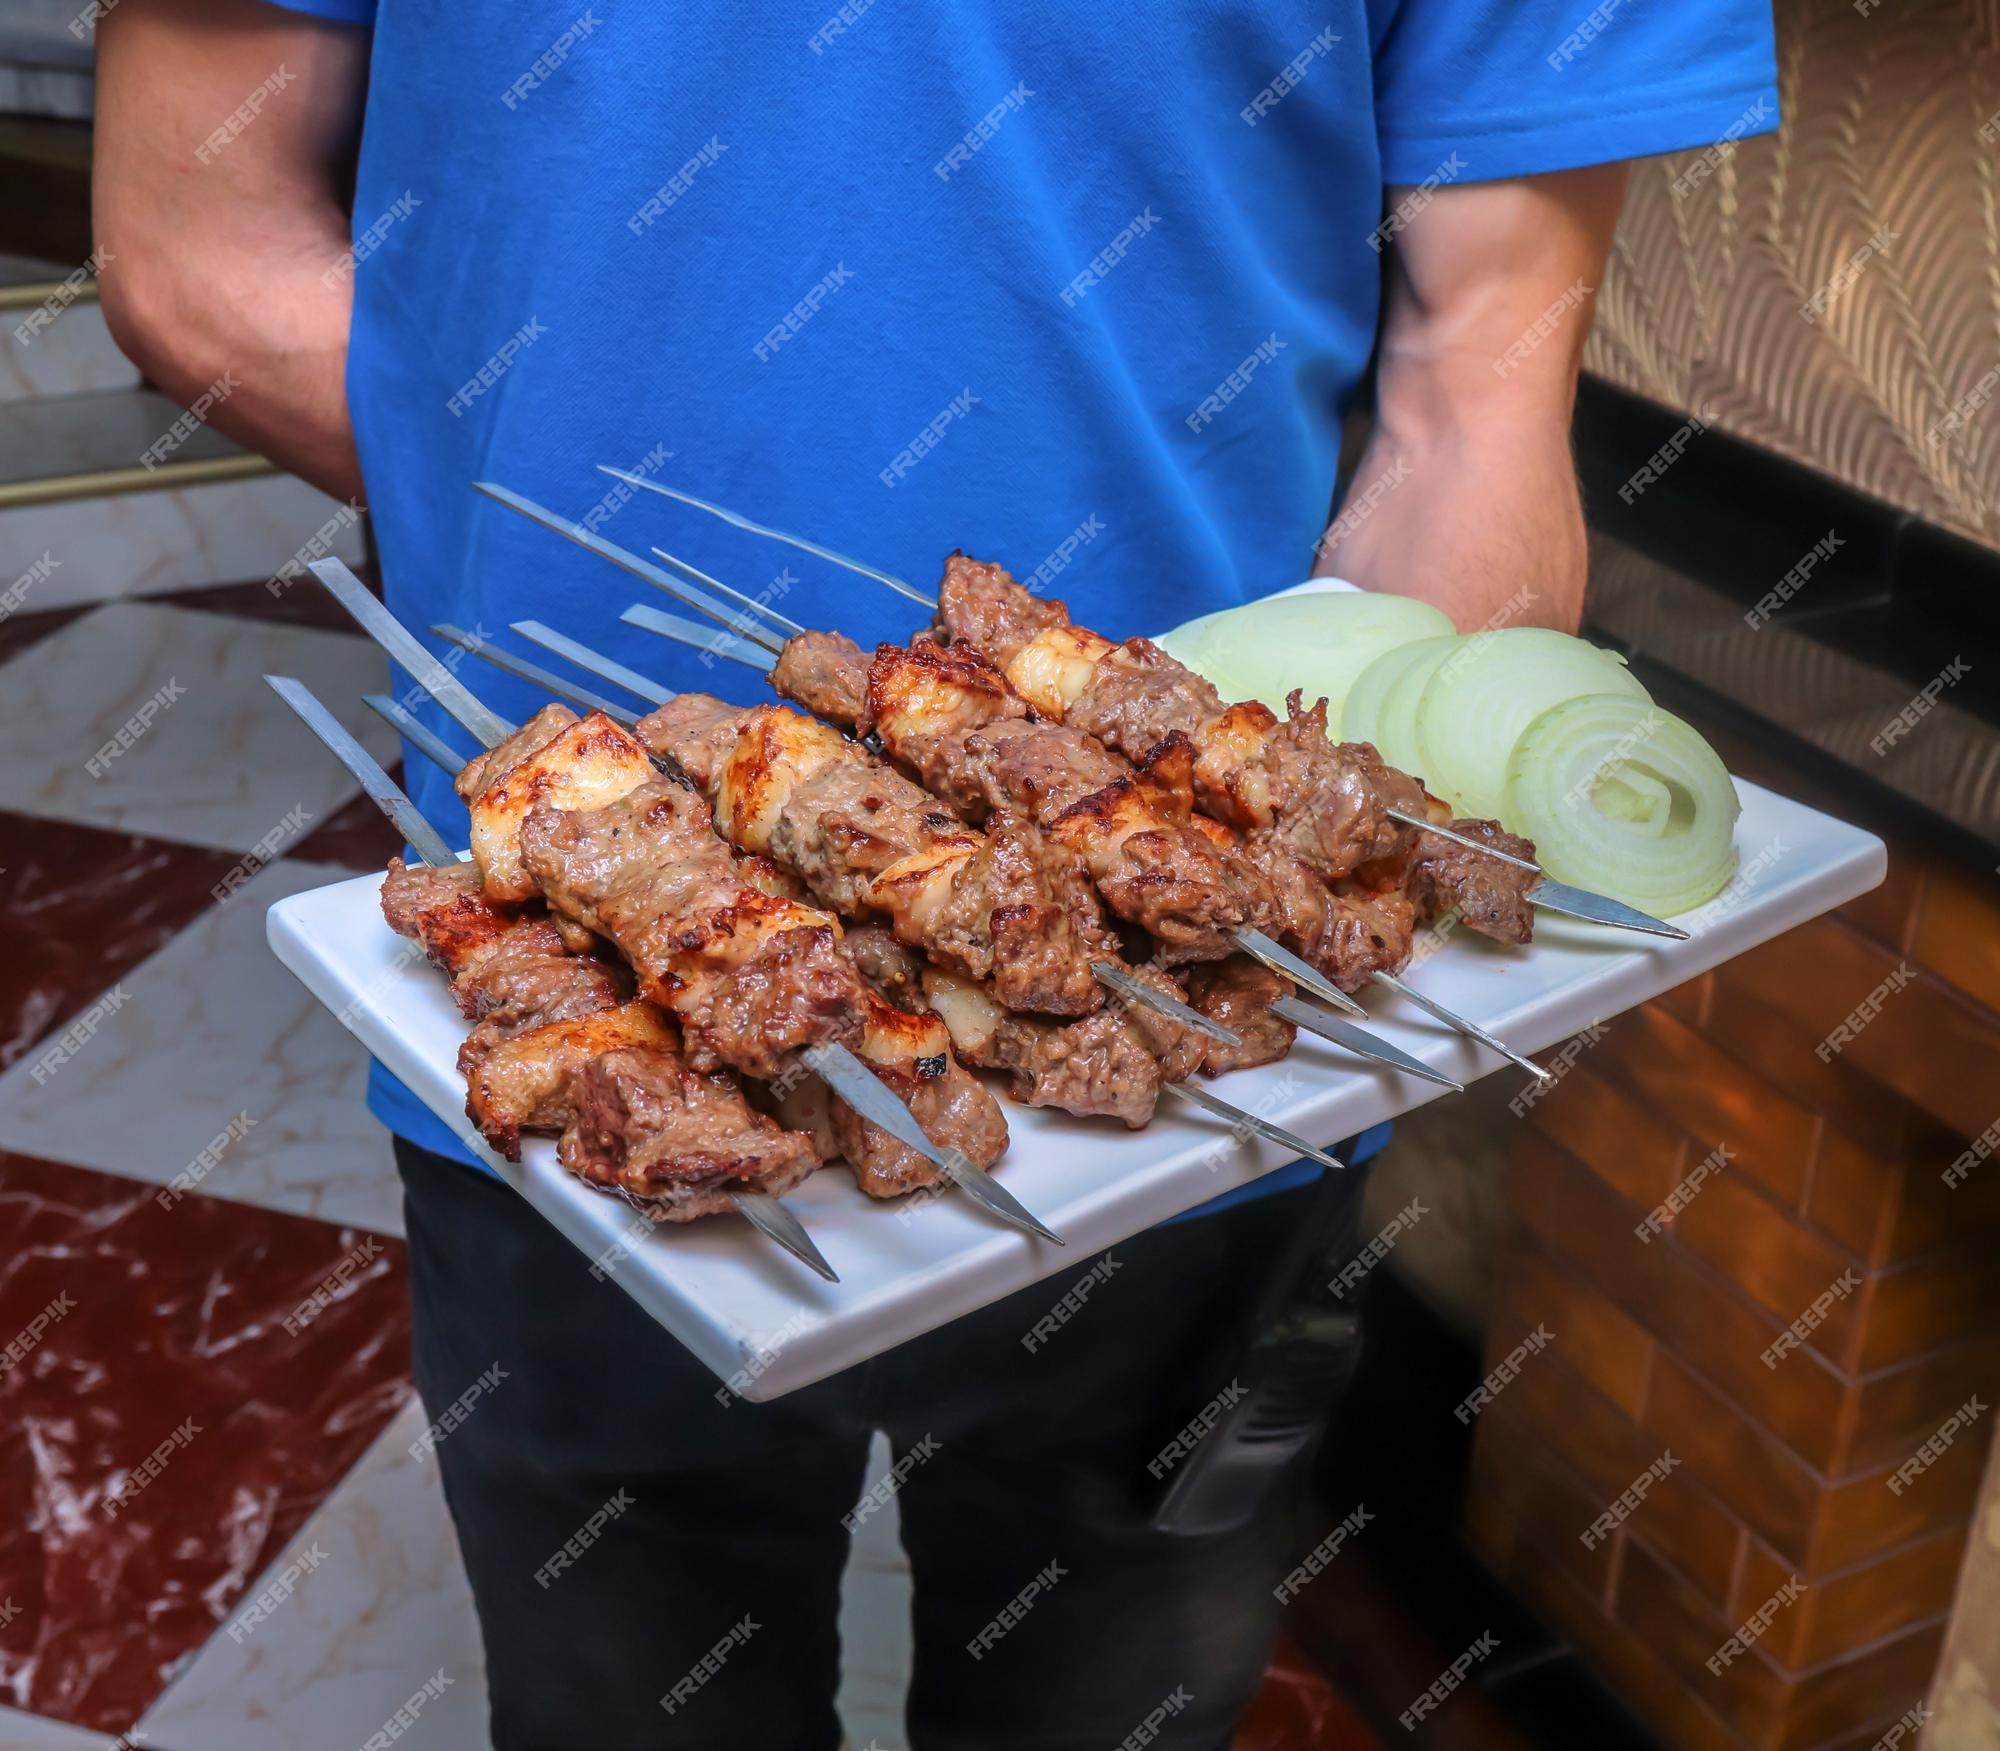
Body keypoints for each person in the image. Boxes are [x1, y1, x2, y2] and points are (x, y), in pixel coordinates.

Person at [92, 3, 1777, 1745]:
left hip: (1215, 1097)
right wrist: (575, 659)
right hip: (597, 1089)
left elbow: (1479, 385)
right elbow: (194, 245)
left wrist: (1306, 872)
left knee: (1121, 1690)